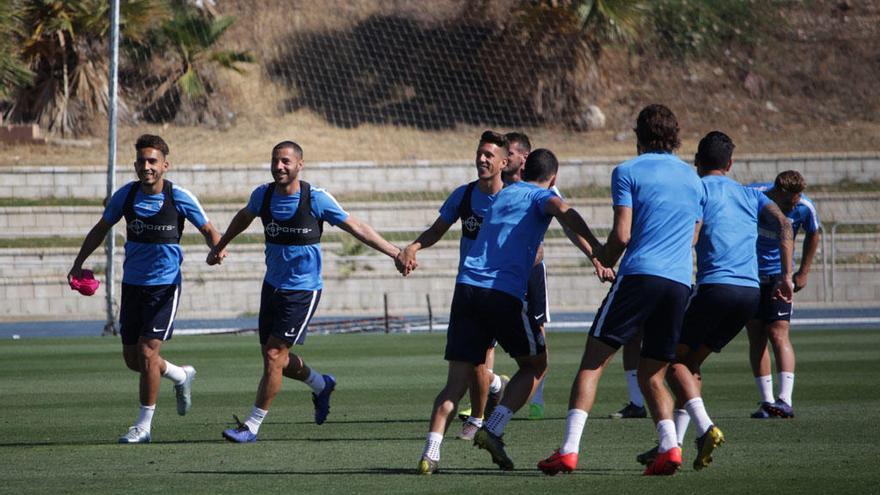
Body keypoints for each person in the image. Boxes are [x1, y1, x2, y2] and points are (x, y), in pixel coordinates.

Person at [410, 143, 610, 475]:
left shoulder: (502, 195)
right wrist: (599, 248)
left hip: (466, 289)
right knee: (537, 364)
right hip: (501, 294)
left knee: (454, 384)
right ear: (552, 177)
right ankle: (495, 427)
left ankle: (430, 453)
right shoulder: (539, 197)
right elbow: (564, 210)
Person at [537, 104, 705, 476]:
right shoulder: (695, 180)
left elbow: (623, 234)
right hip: (680, 282)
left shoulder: (628, 171)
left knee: (593, 361)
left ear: (639, 135)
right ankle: (669, 449)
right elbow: (693, 236)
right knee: (652, 373)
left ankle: (568, 450)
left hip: (640, 276)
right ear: (674, 136)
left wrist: (602, 256)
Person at [212, 140, 405, 442]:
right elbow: (243, 217)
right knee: (274, 358)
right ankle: (320, 384)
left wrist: (396, 253)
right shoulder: (262, 196)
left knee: (275, 355)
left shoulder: (316, 199)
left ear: (300, 165)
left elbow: (358, 227)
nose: (279, 166)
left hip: (302, 290)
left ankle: (251, 426)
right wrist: (220, 245)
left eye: (286, 161)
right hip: (272, 286)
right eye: (275, 160)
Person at [635, 131, 794, 470]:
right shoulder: (750, 194)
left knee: (668, 361)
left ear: (696, 162)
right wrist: (786, 275)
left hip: (715, 289)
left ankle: (705, 428)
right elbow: (784, 223)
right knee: (690, 366)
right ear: (731, 163)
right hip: (749, 294)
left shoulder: (698, 189)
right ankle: (671, 444)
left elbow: (691, 234)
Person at [68, 134, 223, 444]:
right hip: (133, 285)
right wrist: (78, 262)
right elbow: (101, 228)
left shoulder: (179, 196)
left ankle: (143, 425)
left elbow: (208, 229)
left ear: (165, 164)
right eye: (142, 161)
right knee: (133, 360)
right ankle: (179, 374)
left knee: (147, 352)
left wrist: (217, 249)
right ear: (135, 165)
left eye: (153, 161)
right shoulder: (125, 196)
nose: (147, 166)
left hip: (164, 287)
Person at [399, 130, 509, 442]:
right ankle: (489, 399)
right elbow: (437, 229)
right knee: (476, 362)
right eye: (480, 154)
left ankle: (480, 414)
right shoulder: (464, 195)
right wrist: (413, 248)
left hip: (501, 291)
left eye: (489, 155)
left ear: (503, 162)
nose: (482, 159)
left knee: (483, 361)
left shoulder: (513, 197)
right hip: (469, 290)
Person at [746, 170, 821, 419]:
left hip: (780, 278)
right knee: (756, 336)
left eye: (797, 199)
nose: (794, 205)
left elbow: (814, 233)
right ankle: (767, 402)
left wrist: (803, 272)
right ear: (777, 192)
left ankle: (785, 399)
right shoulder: (754, 196)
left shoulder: (805, 206)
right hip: (751, 275)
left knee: (778, 332)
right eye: (789, 201)